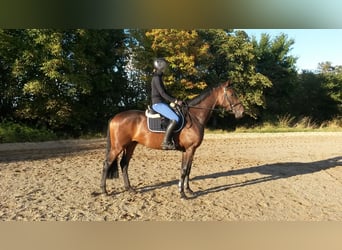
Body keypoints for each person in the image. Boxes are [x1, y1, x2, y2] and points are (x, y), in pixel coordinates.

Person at [151, 58, 181, 150]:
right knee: (175, 118)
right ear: (161, 67)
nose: (166, 68)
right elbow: (162, 94)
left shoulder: (158, 77)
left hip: (161, 103)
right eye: (165, 67)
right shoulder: (156, 78)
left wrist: (175, 99)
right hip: (158, 104)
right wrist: (175, 101)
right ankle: (166, 142)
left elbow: (165, 93)